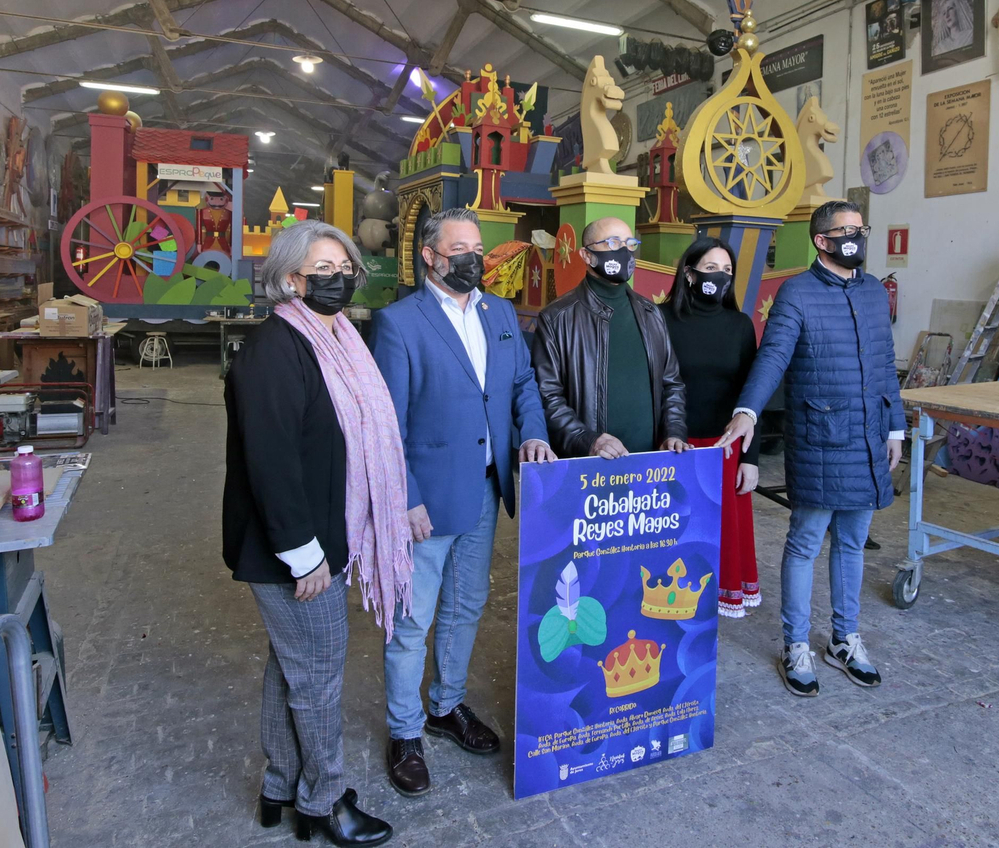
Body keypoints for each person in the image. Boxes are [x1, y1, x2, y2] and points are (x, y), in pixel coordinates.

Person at [223, 220, 403, 846]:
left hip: (322, 537)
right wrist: (305, 557)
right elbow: (271, 462)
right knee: (320, 675)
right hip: (293, 548)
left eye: (344, 268)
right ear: (290, 278)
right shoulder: (276, 349)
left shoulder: (341, 339)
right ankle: (322, 802)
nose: (337, 279)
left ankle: (280, 784)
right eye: (321, 271)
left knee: (291, 665)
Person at [370, 208, 556, 798]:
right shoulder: (399, 323)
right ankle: (404, 734)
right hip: (425, 500)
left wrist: (533, 432)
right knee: (411, 621)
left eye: (478, 247)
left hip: (484, 487)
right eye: (461, 250)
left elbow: (523, 384)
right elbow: (386, 426)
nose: (475, 259)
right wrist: (407, 499)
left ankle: (445, 706)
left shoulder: (500, 313)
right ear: (430, 256)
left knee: (466, 605)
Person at [716, 200, 904, 697]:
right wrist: (748, 412)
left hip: (866, 437)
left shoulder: (872, 293)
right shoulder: (796, 293)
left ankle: (844, 639)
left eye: (860, 230)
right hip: (820, 438)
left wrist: (896, 429)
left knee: (852, 542)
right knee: (805, 543)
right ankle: (795, 643)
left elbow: (885, 365)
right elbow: (773, 356)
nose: (856, 239)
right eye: (846, 231)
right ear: (821, 241)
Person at [660, 237, 761, 618]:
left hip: (725, 449)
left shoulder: (740, 325)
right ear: (689, 273)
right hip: (674, 446)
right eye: (711, 269)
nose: (720, 278)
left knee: (722, 540)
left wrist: (749, 460)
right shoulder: (661, 318)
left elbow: (751, 396)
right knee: (675, 537)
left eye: (727, 271)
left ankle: (713, 606)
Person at [532, 216, 688, 458]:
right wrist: (588, 440)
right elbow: (547, 396)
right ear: (586, 255)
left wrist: (674, 431)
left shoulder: (650, 313)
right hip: (589, 464)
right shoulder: (557, 317)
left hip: (648, 462)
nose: (624, 252)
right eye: (613, 243)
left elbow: (672, 383)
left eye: (630, 244)